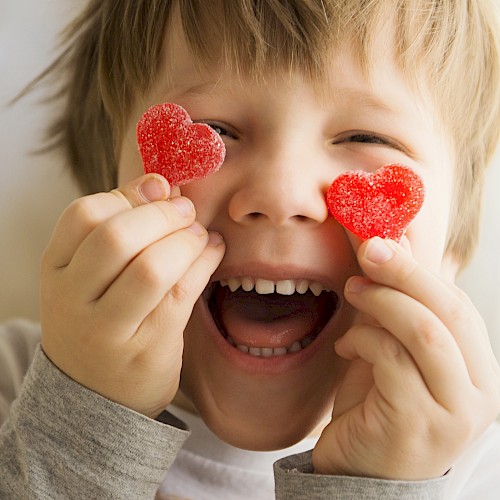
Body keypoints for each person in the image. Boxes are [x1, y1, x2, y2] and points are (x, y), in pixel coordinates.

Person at [1, 0, 500, 498]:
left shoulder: (475, 472)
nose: (281, 196)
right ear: (103, 195)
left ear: (451, 248)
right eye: (215, 131)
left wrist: (380, 486)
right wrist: (85, 426)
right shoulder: (20, 384)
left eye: (364, 136)